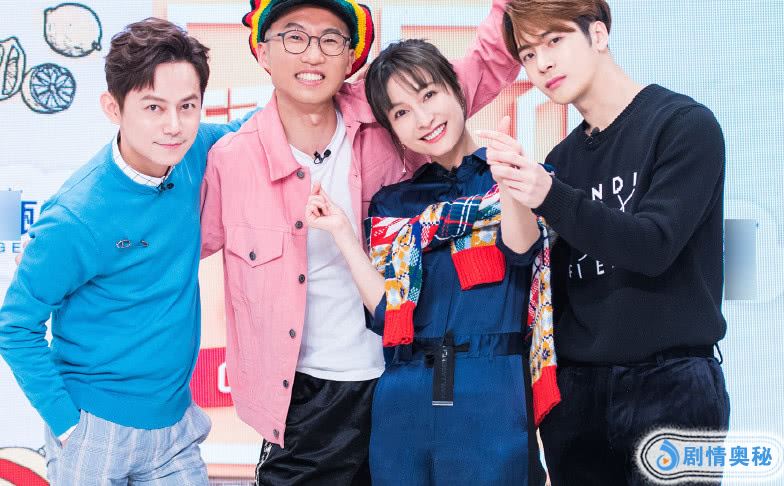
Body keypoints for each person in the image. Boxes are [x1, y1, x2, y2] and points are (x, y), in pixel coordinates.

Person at [199, 0, 521, 483]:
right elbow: (172, 251)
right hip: (306, 399)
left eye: (331, 39)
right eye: (293, 36)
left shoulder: (388, 113)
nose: (313, 54)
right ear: (263, 52)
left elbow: (486, 61)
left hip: (405, 381)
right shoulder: (231, 159)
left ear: (350, 56)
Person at [488, 0, 729, 483]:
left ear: (598, 34)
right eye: (529, 54)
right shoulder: (561, 159)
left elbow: (653, 245)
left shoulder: (682, 125)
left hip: (672, 385)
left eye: (554, 41)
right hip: (579, 395)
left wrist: (549, 194)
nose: (542, 64)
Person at [0, 18, 249, 485]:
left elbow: (254, 129)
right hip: (94, 429)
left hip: (175, 427)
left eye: (187, 106)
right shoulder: (75, 216)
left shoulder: (194, 151)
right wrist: (67, 426)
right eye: (153, 107)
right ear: (113, 108)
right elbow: (16, 327)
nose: (174, 126)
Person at [305, 38, 548, 485]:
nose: (423, 119)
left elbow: (521, 250)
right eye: (401, 113)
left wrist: (509, 183)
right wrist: (342, 232)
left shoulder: (517, 178)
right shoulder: (394, 204)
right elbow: (386, 313)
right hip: (405, 397)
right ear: (392, 129)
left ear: (455, 88)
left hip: (491, 392)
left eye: (428, 94)